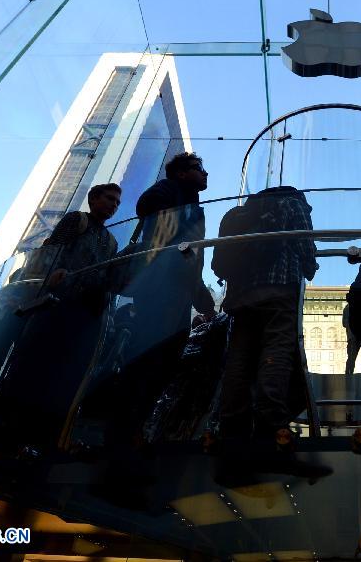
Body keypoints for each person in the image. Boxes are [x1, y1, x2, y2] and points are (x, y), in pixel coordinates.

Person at [0, 183, 121, 449]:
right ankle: (3, 427)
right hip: (52, 304)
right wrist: (53, 275)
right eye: (109, 199)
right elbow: (52, 250)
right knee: (29, 362)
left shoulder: (111, 241)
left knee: (55, 371)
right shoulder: (76, 219)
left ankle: (33, 433)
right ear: (93, 199)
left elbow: (106, 277)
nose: (113, 205)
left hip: (81, 315)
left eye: (117, 203)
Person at [109, 153, 215, 451]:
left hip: (178, 291)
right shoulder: (170, 190)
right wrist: (175, 251)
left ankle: (135, 431)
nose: (205, 174)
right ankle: (122, 437)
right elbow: (147, 205)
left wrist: (199, 295)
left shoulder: (193, 204)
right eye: (199, 169)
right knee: (146, 361)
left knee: (165, 363)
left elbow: (192, 255)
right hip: (160, 286)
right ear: (181, 173)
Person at [217, 186, 317, 442]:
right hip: (279, 288)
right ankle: (270, 420)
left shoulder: (244, 212)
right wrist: (310, 265)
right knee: (278, 349)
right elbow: (305, 244)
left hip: (241, 294)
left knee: (239, 356)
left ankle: (231, 423)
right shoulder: (293, 204)